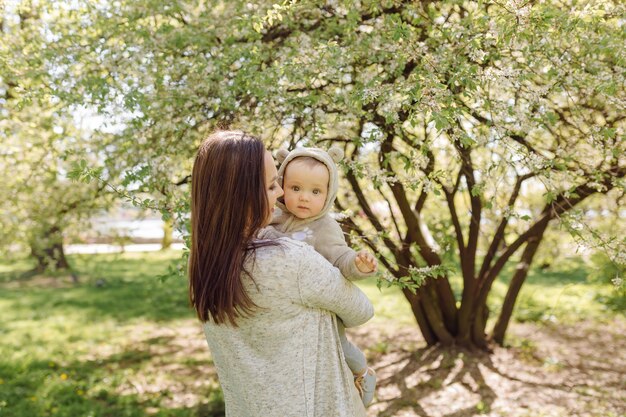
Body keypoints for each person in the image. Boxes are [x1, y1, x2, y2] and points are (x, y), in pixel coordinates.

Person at [188, 130, 373, 417]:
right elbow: (361, 310)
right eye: (273, 184)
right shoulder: (290, 260)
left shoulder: (207, 262)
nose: (281, 193)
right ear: (245, 194)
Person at [266, 146, 378, 406]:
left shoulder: (324, 227)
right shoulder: (274, 217)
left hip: (321, 310)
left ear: (328, 194)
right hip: (286, 309)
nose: (304, 198)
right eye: (296, 188)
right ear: (282, 185)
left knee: (337, 345)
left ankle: (362, 372)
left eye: (315, 191)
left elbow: (340, 258)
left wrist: (357, 265)